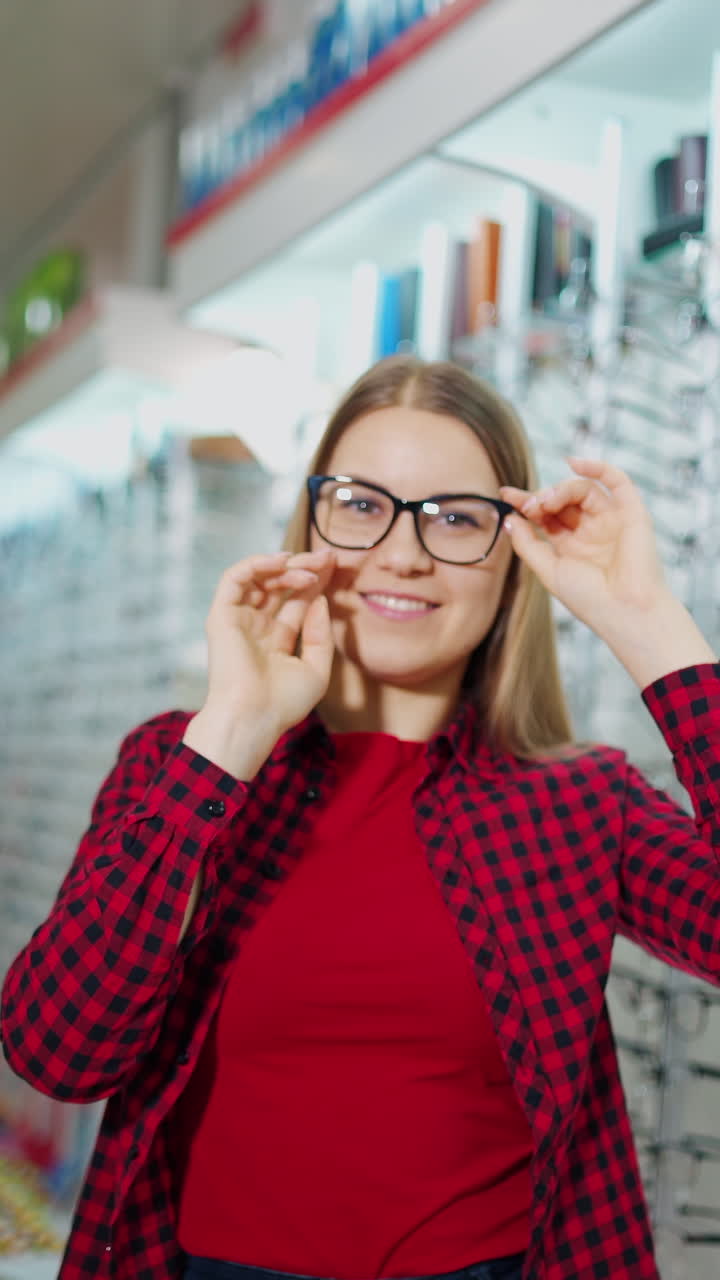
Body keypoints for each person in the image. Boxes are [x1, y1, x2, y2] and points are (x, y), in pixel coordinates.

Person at [1, 355, 719, 1280]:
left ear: (514, 558)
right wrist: (232, 729)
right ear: (311, 524)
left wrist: (650, 622)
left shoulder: (579, 800)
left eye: (458, 517)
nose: (405, 552)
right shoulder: (183, 762)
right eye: (361, 502)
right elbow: (58, 1050)